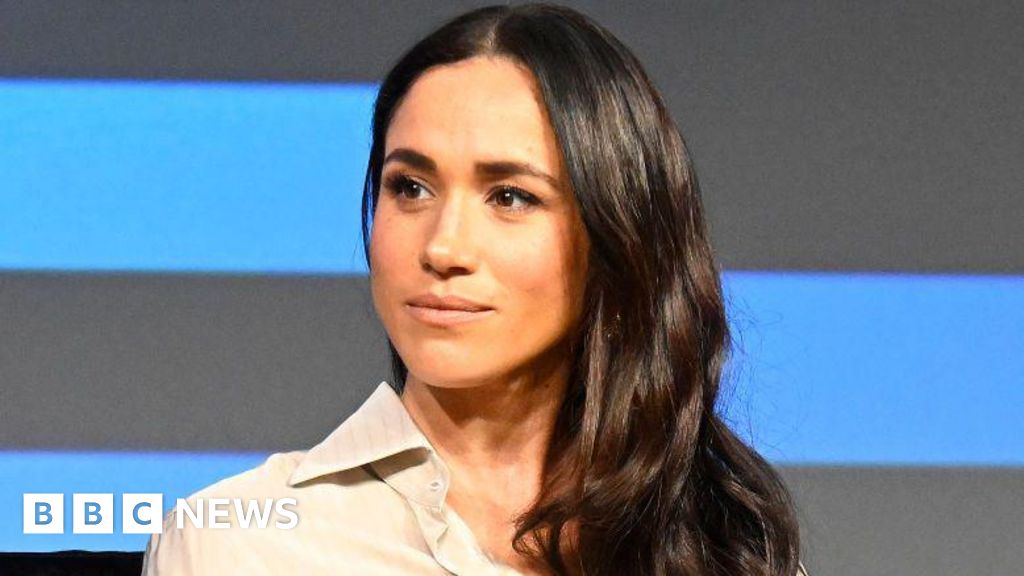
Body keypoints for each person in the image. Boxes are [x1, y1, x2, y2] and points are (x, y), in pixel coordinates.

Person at [143, 3, 805, 575]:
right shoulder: (242, 544)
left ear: (616, 233)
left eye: (510, 196)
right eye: (410, 188)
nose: (443, 248)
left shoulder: (723, 545)